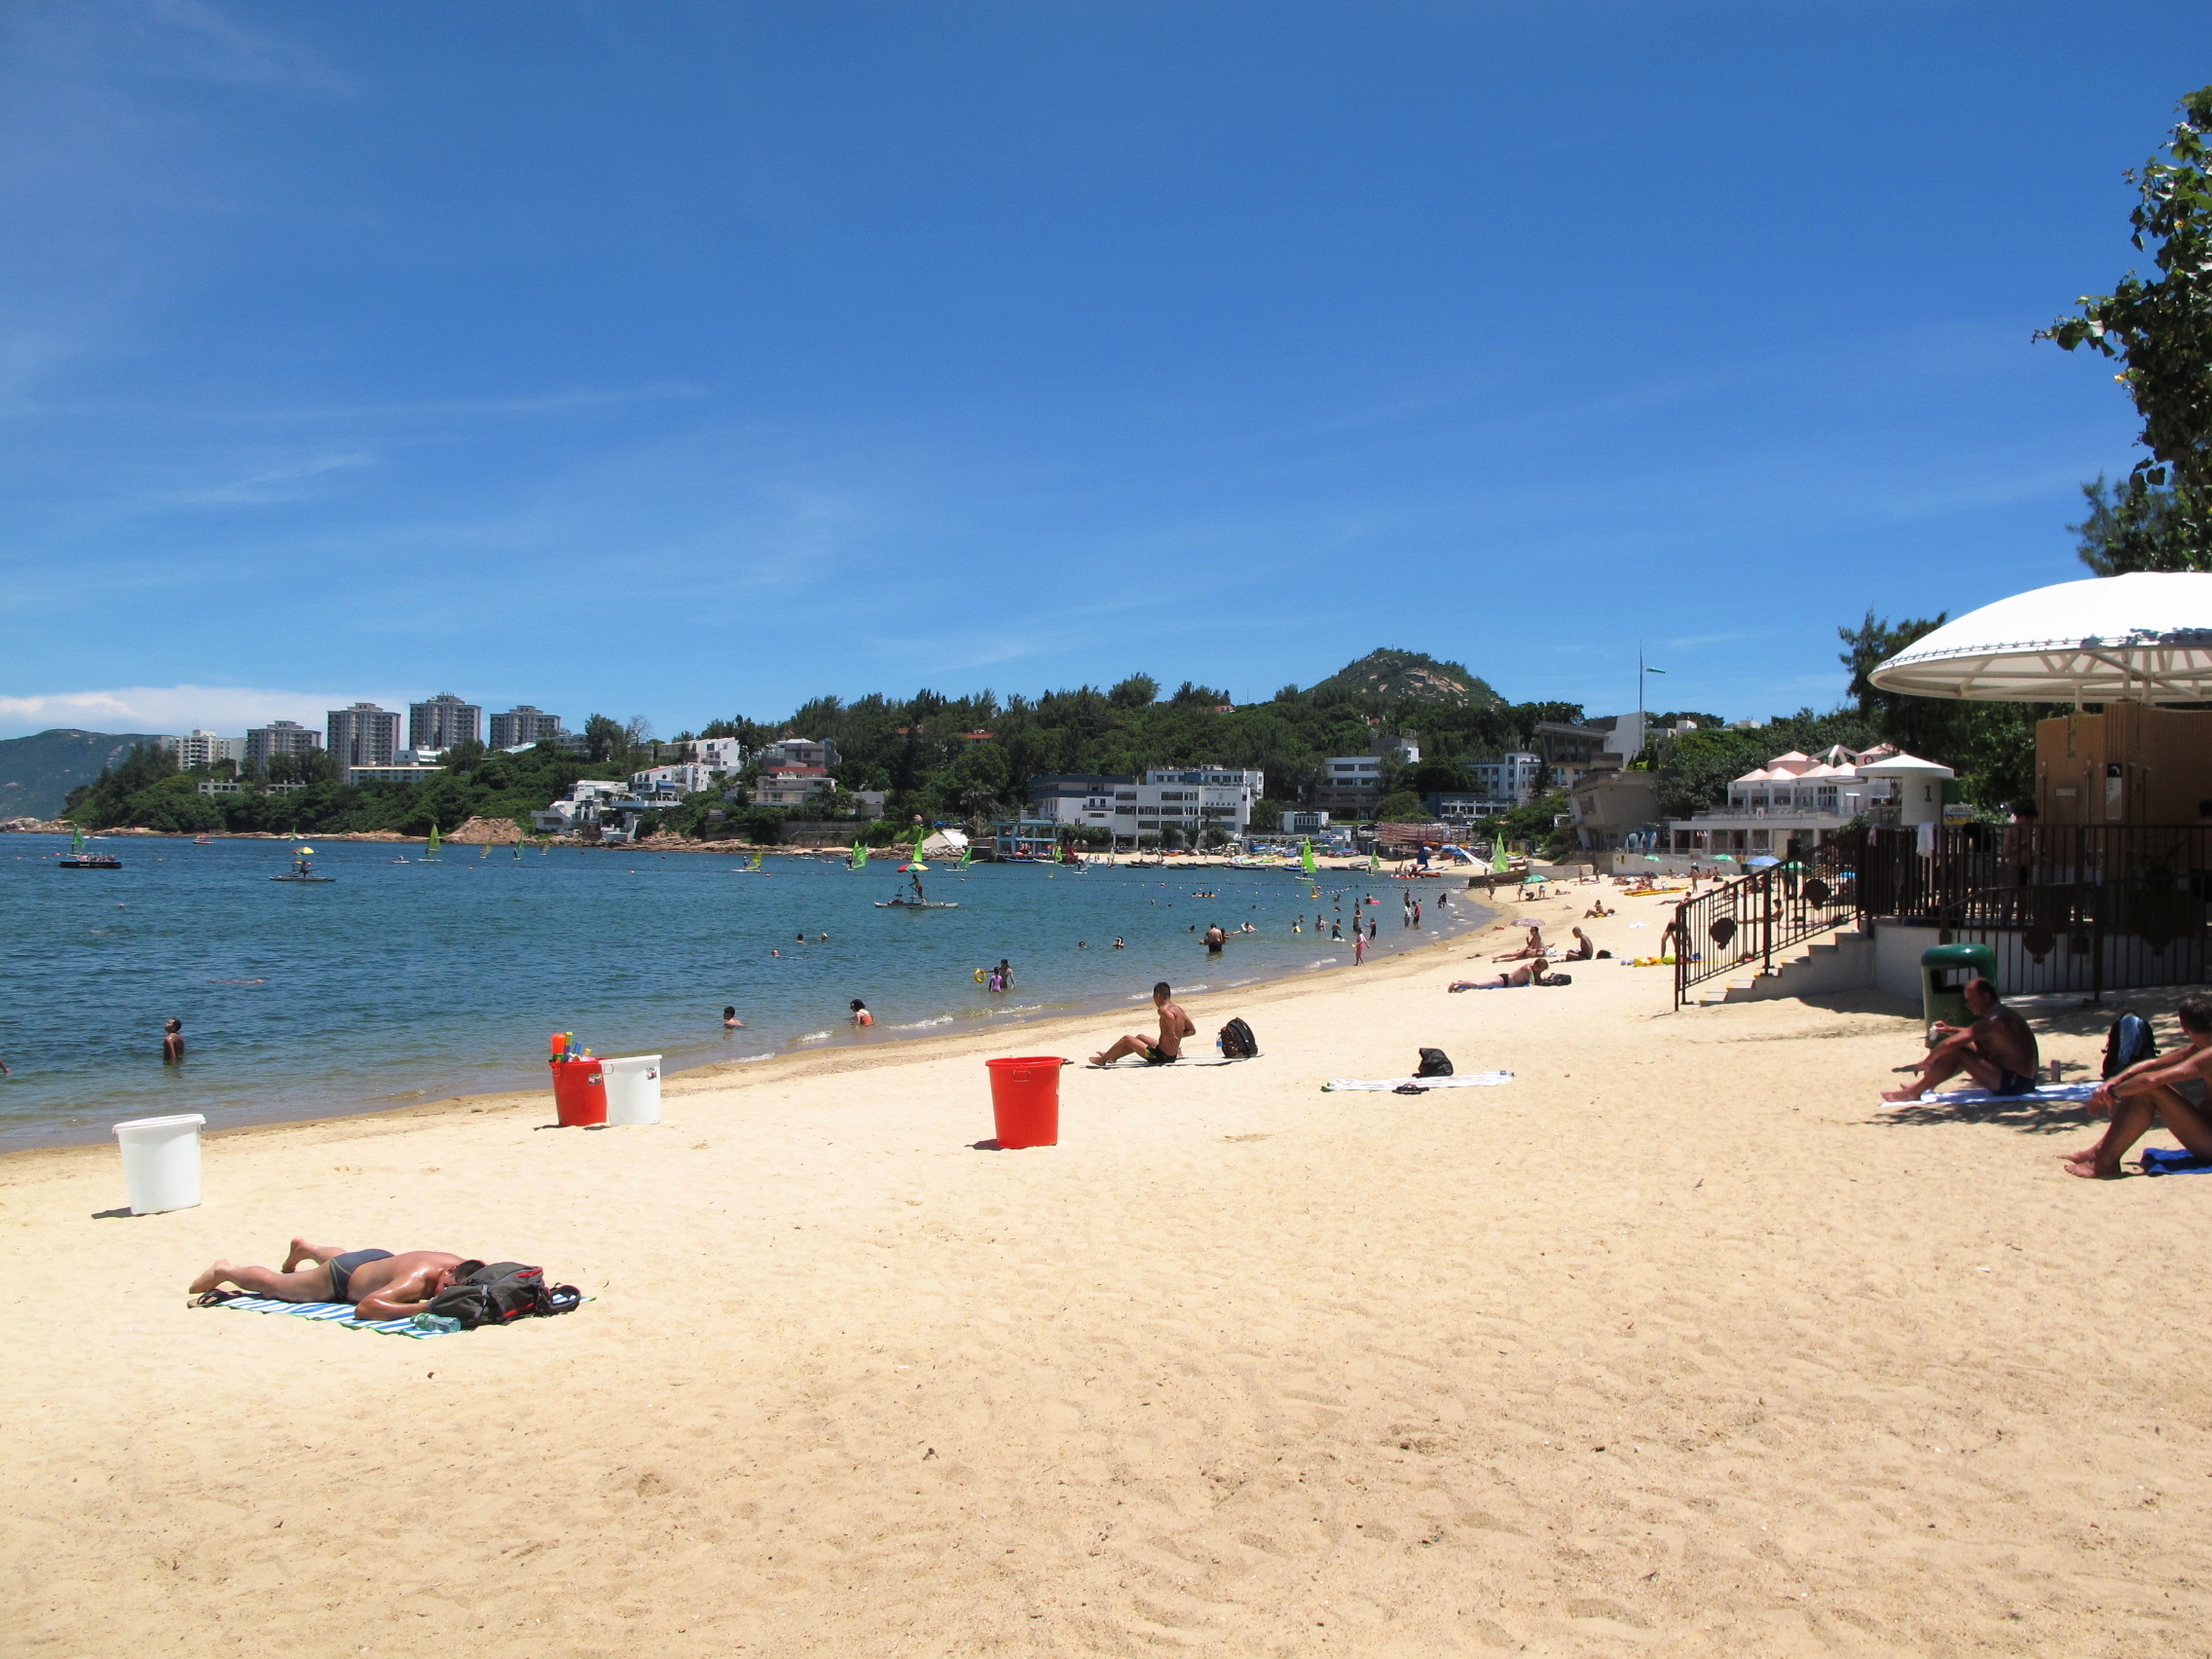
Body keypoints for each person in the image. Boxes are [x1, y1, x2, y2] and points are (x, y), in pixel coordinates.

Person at [2061, 996, 2212, 1177]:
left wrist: (2112, 1093)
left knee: (2146, 1088)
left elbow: (2151, 1081)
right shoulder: (2201, 1048)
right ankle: (2098, 1152)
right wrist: (2114, 1081)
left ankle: (2104, 1162)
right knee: (2142, 1085)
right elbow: (2150, 1065)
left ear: (2184, 1028)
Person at [189, 1239, 468, 1320]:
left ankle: (306, 1248)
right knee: (274, 1285)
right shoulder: (415, 1281)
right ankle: (224, 1271)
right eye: (443, 1289)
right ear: (446, 1273)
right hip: (341, 1278)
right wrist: (426, 1307)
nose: (439, 1294)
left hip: (375, 1259)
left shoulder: (457, 1263)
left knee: (343, 1258)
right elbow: (367, 1308)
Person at [1881, 977, 2040, 1103]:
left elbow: (1951, 1043)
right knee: (1964, 1048)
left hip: (2015, 1084)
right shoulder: (2000, 1014)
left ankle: (1913, 1092)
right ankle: (1921, 1086)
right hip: (2021, 1080)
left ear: (1985, 997)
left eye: (1970, 999)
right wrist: (1949, 1029)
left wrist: (1928, 1061)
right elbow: (1973, 1034)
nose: (1967, 1005)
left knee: (1957, 1051)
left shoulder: (1995, 1020)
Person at [1089, 981, 1197, 1067]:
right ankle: (1113, 1057)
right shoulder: (1179, 1010)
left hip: (1159, 1057)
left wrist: (1172, 1033)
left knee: (1126, 1039)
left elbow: (1170, 1017)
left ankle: (1102, 1060)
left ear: (1158, 995)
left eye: (1154, 997)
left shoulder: (1162, 1009)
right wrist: (1175, 1036)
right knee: (1140, 1037)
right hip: (1171, 1055)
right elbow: (1192, 1031)